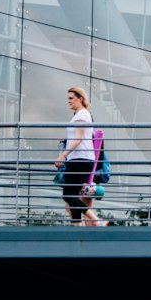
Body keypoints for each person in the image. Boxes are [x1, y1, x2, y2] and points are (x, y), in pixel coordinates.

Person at [54, 85, 107, 227]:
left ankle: (96, 220)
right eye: (68, 99)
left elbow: (78, 139)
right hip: (79, 159)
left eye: (71, 98)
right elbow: (80, 138)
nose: (69, 101)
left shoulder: (82, 114)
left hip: (81, 160)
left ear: (80, 99)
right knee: (72, 195)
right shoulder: (80, 115)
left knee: (68, 195)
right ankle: (78, 226)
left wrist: (62, 156)